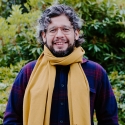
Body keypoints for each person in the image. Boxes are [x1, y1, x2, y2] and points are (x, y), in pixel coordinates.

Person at [3, 4, 119, 125]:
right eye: (53, 30)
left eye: (65, 29)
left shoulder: (96, 72)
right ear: (44, 36)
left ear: (76, 33)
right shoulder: (28, 72)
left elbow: (109, 120)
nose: (59, 35)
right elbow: (12, 119)